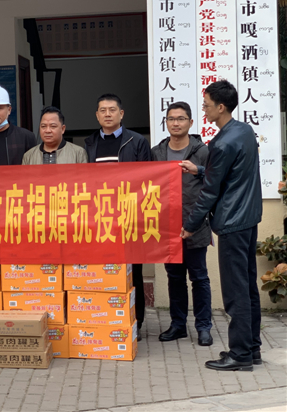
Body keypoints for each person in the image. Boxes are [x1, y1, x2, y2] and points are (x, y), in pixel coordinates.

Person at [180, 81, 262, 371]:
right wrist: (200, 169)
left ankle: (239, 354)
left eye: (206, 105)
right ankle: (251, 348)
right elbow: (231, 173)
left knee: (235, 291)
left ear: (221, 107)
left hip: (231, 222)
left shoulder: (221, 143)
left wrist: (190, 225)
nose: (204, 109)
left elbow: (210, 191)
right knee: (247, 285)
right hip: (248, 219)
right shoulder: (244, 131)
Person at [84, 93, 150, 333]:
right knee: (103, 269)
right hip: (99, 218)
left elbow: (147, 178)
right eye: (102, 110)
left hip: (130, 216)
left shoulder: (137, 141)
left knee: (134, 271)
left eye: (112, 110)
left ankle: (136, 322)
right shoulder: (89, 143)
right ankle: (107, 318)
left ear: (121, 114)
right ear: (97, 115)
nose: (107, 114)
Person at [151, 102, 212, 347]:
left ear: (190, 122)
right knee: (174, 277)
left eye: (181, 119)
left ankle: (204, 327)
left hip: (195, 224)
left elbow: (216, 179)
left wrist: (198, 170)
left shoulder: (202, 151)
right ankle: (178, 325)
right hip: (168, 227)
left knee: (199, 277)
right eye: (171, 119)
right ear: (166, 122)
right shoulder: (157, 152)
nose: (175, 123)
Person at [22, 106, 87, 165]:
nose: (47, 130)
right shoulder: (29, 156)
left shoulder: (78, 153)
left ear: (63, 129)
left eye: (53, 126)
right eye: (43, 126)